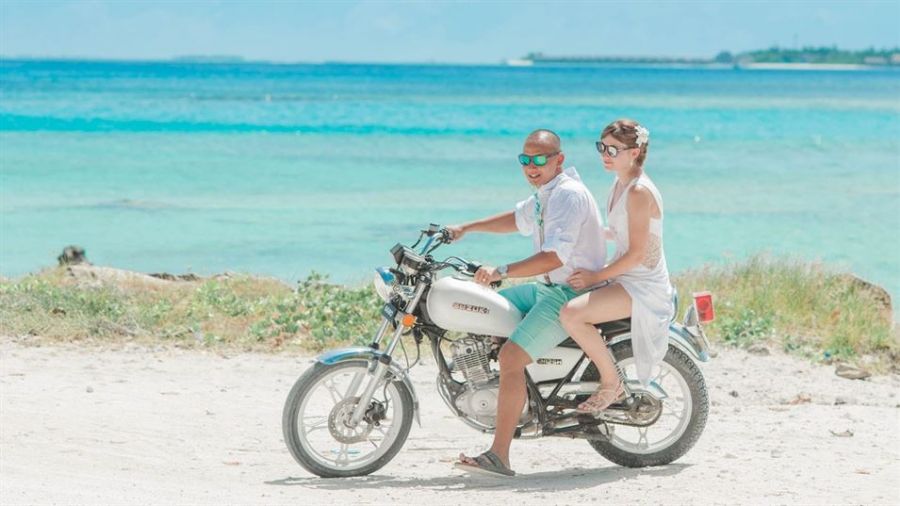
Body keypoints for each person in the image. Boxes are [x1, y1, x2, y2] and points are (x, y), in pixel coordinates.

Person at [449, 129, 606, 477]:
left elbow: (553, 257)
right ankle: (519, 387)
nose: (532, 167)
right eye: (525, 160)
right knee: (487, 306)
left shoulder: (568, 196)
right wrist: (465, 227)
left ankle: (499, 455)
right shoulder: (545, 194)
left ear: (558, 160)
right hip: (547, 287)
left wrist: (502, 270)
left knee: (510, 358)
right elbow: (515, 219)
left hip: (568, 293)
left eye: (540, 159)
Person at [559, 119, 675, 415]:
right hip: (626, 275)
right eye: (602, 147)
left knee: (572, 314)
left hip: (642, 284)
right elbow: (620, 233)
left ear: (634, 152)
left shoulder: (638, 192)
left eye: (613, 149)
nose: (605, 154)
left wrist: (596, 276)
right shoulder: (620, 183)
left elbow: (636, 254)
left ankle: (612, 382)